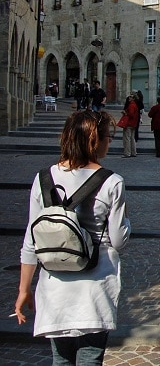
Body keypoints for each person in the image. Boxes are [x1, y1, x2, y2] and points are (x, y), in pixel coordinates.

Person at [15, 110, 131, 364]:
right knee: (90, 355)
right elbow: (119, 241)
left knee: (61, 358)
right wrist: (127, 224)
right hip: (94, 286)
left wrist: (24, 289)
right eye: (106, 137)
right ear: (94, 141)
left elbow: (31, 240)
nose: (109, 142)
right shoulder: (112, 182)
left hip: (55, 285)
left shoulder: (43, 179)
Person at [120, 93, 139, 158]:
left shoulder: (131, 105)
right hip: (133, 123)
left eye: (131, 97)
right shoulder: (135, 105)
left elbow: (131, 114)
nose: (129, 98)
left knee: (127, 138)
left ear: (133, 98)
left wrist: (125, 113)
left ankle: (127, 153)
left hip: (129, 123)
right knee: (132, 138)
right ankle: (133, 152)